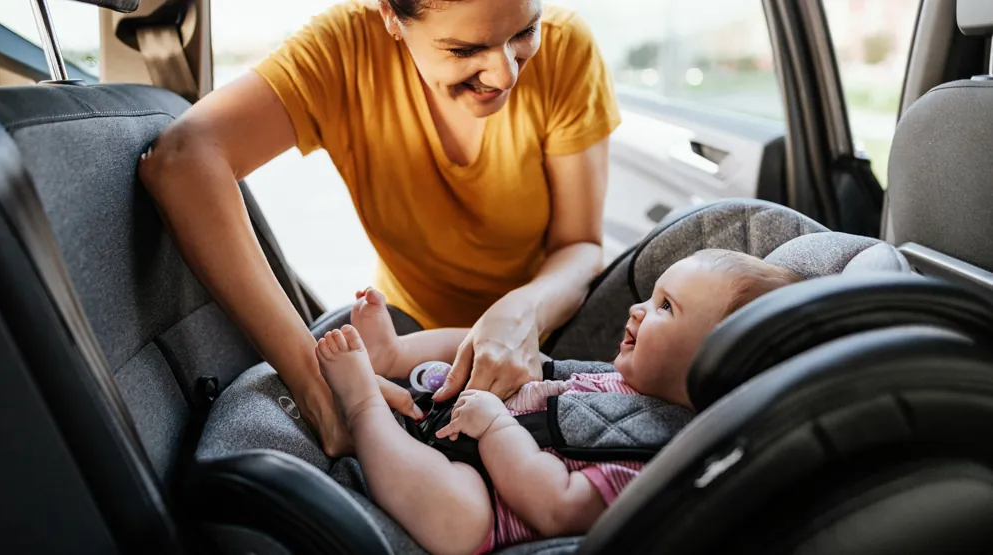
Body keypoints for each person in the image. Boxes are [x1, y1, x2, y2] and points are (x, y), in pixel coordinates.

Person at [139, 0, 621, 457]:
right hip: (413, 335)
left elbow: (578, 246)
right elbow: (182, 161)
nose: (506, 73)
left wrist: (523, 313)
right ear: (391, 14)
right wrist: (317, 387)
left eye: (524, 33)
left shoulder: (567, 48)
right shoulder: (344, 51)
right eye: (464, 50)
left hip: (548, 328)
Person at [316, 249, 805, 554]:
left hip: (491, 500)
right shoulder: (622, 383)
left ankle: (362, 407)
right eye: (652, 296)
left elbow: (558, 507)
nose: (637, 310)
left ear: (711, 365)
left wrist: (495, 429)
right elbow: (549, 386)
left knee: (459, 519)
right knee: (510, 348)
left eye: (665, 308)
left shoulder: (656, 458)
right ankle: (393, 354)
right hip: (473, 416)